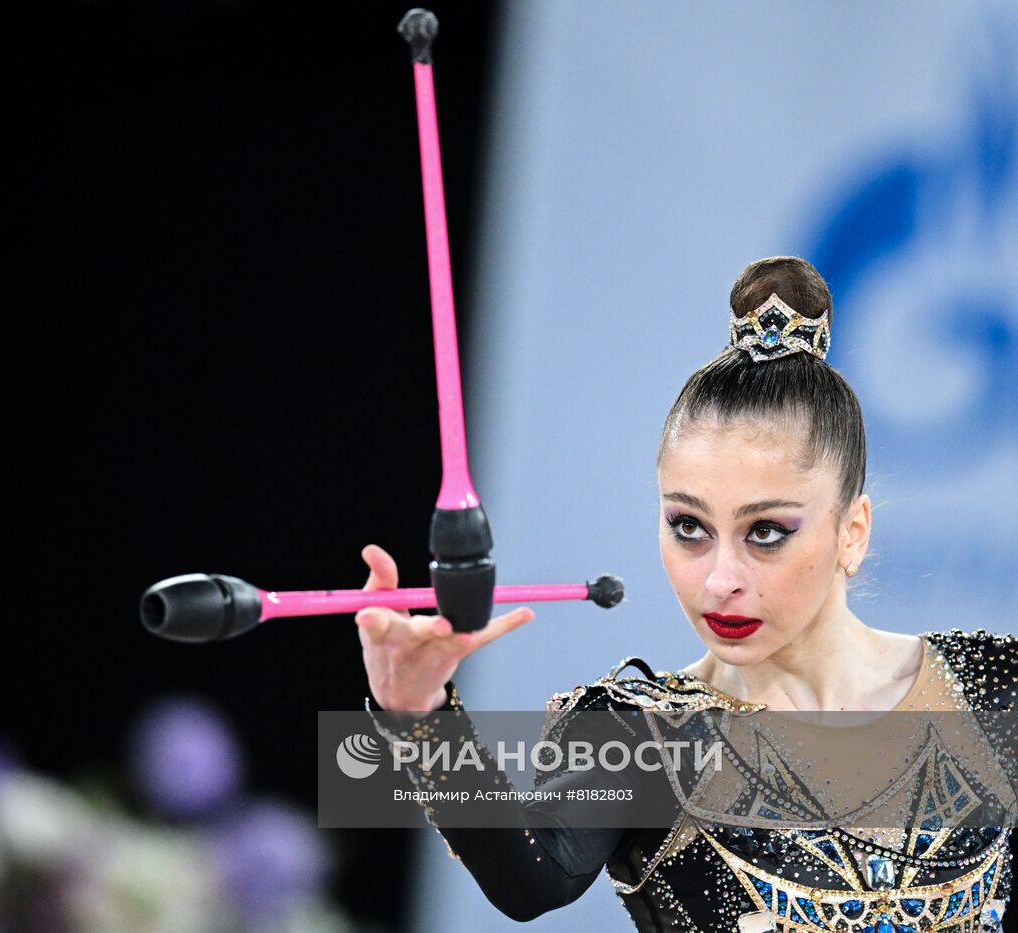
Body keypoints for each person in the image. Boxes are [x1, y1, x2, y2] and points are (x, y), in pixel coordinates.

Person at [354, 257, 1016, 932]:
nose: (718, 578)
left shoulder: (994, 691)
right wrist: (419, 717)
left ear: (852, 531)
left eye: (765, 531)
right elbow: (528, 877)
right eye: (689, 527)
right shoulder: (645, 736)